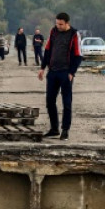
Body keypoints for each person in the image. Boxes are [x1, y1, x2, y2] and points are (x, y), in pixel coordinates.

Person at [37, 12, 82, 141]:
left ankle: (65, 130)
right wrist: (42, 68)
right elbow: (47, 50)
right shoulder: (54, 32)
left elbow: (78, 55)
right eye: (57, 23)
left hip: (66, 73)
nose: (58, 26)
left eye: (61, 24)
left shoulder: (74, 34)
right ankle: (54, 128)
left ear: (67, 23)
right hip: (53, 72)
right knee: (50, 101)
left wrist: (72, 73)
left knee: (66, 102)